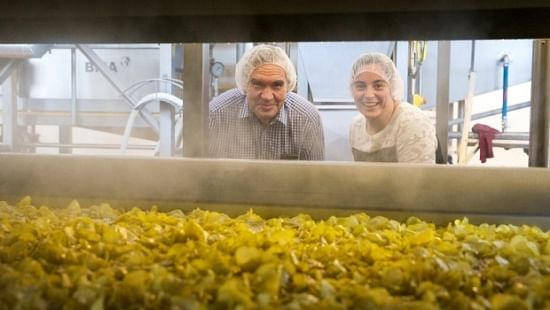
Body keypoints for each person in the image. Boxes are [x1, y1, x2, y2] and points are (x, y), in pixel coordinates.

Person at [208, 44, 325, 160]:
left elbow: (315, 177)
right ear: (244, 85)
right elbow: (201, 173)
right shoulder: (217, 114)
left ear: (288, 86)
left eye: (277, 85)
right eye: (258, 84)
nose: (267, 97)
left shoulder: (307, 119)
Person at [348, 52, 437, 163]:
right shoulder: (356, 127)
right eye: (360, 86)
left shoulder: (411, 122)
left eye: (378, 86)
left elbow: (417, 179)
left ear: (393, 87)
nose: (369, 95)